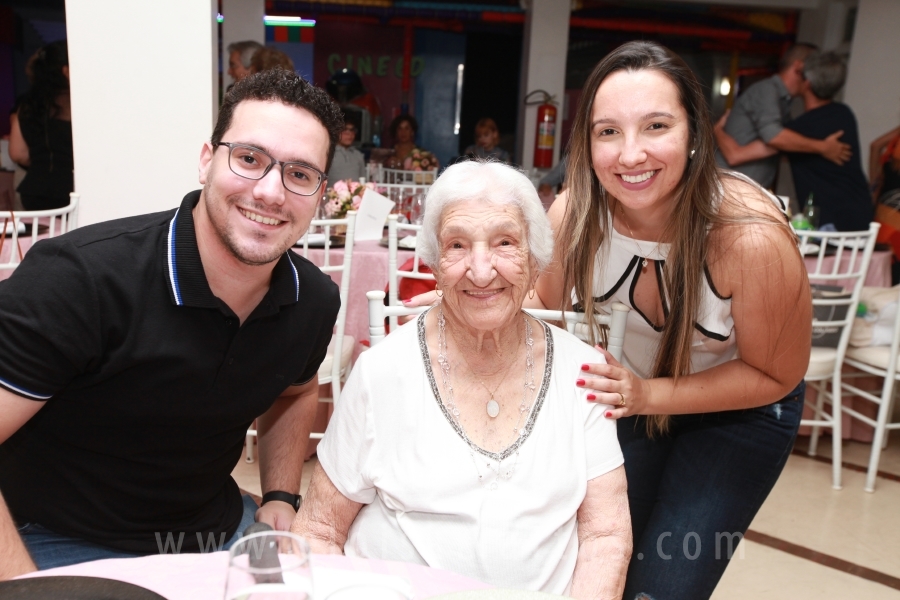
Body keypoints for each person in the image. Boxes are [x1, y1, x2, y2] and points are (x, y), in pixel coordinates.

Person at [0, 69, 344, 574]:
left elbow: (296, 390)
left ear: (320, 193)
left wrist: (280, 496)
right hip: (52, 537)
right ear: (207, 161)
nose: (271, 192)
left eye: (299, 174)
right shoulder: (81, 281)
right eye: (249, 159)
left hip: (212, 531)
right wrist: (28, 588)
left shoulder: (312, 301)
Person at [531, 41, 811, 599]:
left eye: (656, 125)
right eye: (608, 132)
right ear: (586, 143)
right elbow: (546, 318)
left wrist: (648, 395)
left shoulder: (749, 238)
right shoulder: (573, 215)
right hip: (627, 397)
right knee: (594, 566)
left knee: (664, 584)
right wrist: (465, 309)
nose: (630, 154)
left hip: (741, 409)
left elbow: (774, 374)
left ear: (695, 134)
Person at [292, 159, 632, 598]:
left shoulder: (583, 374)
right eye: (456, 246)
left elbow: (605, 536)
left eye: (505, 242)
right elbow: (318, 531)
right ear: (433, 264)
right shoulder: (381, 373)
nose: (481, 269)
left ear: (535, 261)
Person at [715, 52, 873, 231]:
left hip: (830, 223)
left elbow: (736, 155)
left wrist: (718, 131)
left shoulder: (797, 131)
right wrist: (822, 148)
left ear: (807, 83)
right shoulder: (845, 114)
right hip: (861, 214)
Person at [714, 43, 851, 189]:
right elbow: (773, 137)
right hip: (727, 192)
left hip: (741, 193)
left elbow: (776, 145)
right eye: (814, 68)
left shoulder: (783, 101)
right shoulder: (767, 91)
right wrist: (823, 147)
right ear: (799, 67)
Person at [8, 41, 74, 211]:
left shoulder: (28, 104)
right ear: (65, 71)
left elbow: (18, 153)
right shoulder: (77, 104)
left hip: (33, 191)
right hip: (72, 192)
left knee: (43, 237)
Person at [327, 119, 366, 185]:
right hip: (331, 194)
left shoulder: (358, 155)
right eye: (345, 130)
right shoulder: (328, 153)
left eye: (352, 130)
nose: (349, 134)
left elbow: (363, 180)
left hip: (355, 194)